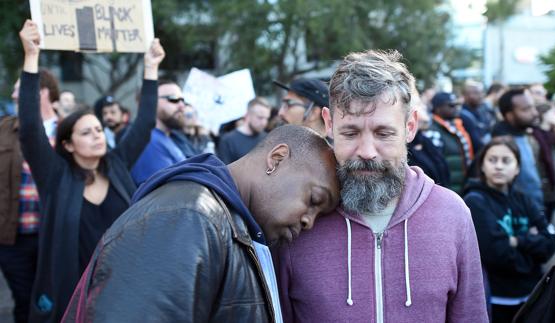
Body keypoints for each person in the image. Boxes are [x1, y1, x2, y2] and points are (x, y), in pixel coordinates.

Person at [273, 49, 488, 322]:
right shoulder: (296, 217)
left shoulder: (452, 214)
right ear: (328, 123)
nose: (367, 151)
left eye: (383, 133)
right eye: (350, 133)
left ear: (410, 127)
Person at [61, 125, 340, 322]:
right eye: (314, 199)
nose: (309, 222)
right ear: (277, 159)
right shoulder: (186, 218)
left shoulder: (222, 222)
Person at [16, 20, 164, 323]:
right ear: (68, 144)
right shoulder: (55, 176)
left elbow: (145, 122)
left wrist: (150, 68)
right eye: (86, 132)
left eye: (98, 129)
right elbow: (30, 129)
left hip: (124, 288)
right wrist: (31, 57)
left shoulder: (117, 165)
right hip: (73, 293)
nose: (97, 136)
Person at [463, 136, 555, 323]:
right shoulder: (475, 201)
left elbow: (551, 240)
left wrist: (517, 240)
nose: (499, 166)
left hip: (531, 295)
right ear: (482, 165)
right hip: (498, 299)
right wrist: (531, 255)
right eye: (492, 160)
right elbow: (495, 252)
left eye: (506, 161)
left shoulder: (523, 199)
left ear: (517, 169)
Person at [0, 69, 59, 323]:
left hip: (55, 237)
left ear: (41, 91)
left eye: (19, 88)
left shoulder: (71, 130)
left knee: (57, 300)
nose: (14, 94)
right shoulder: (3, 129)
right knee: (24, 303)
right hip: (13, 239)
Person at [130, 79, 197, 185]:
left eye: (182, 100)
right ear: (149, 103)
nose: (182, 106)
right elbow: (165, 195)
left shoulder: (167, 137)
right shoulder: (148, 142)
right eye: (173, 99)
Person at [492, 88, 545, 215]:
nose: (534, 113)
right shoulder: (501, 144)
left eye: (533, 107)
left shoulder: (524, 134)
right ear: (509, 115)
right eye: (526, 109)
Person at [425, 91, 474, 194]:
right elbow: (437, 165)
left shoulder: (456, 124)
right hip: (449, 189)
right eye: (451, 105)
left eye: (457, 104)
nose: (456, 108)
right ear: (438, 108)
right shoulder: (432, 131)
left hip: (463, 185)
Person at [217, 96, 271, 164]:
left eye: (267, 118)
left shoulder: (268, 138)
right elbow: (223, 171)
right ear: (247, 115)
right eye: (260, 117)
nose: (264, 123)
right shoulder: (228, 140)